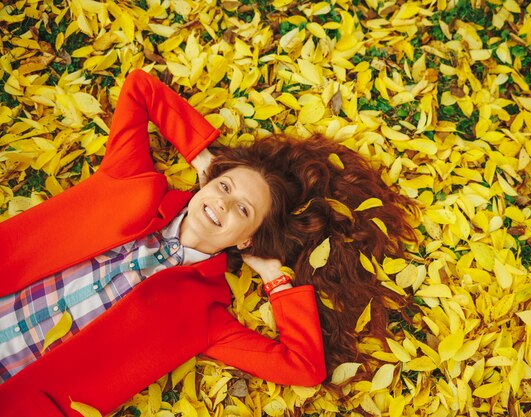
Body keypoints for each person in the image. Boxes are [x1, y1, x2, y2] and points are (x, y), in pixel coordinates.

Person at [0, 69, 416, 416]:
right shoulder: (133, 184)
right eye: (225, 186)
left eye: (243, 210)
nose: (223, 203)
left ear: (248, 240)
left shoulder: (206, 317)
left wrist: (275, 279)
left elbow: (304, 367)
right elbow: (139, 89)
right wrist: (204, 157)